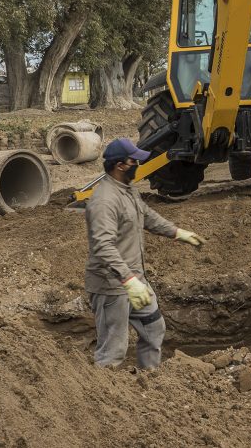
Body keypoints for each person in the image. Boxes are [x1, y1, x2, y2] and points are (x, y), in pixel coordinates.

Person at [85, 137, 206, 369]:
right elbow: (103, 246)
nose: (139, 165)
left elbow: (146, 215)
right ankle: (105, 399)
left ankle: (148, 381)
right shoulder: (104, 201)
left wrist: (177, 232)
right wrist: (128, 280)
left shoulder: (128, 191)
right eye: (134, 161)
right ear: (120, 165)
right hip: (112, 286)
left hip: (135, 281)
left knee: (153, 328)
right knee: (113, 349)